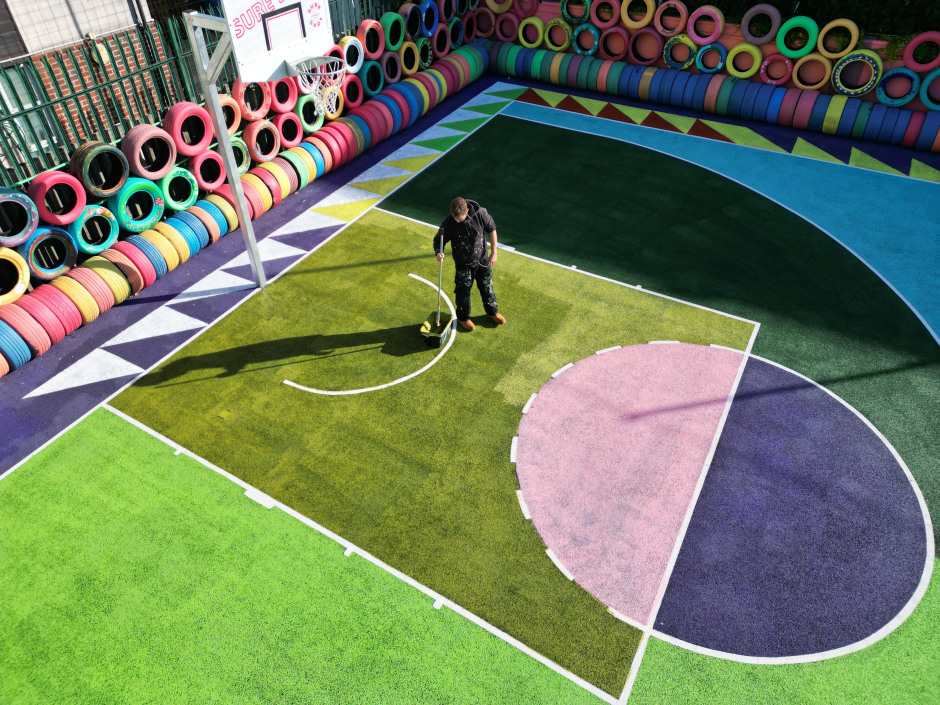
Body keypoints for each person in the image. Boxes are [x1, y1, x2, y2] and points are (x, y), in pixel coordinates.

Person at [433, 197, 506, 332]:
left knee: (487, 287)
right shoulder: (448, 223)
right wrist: (439, 252)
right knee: (463, 292)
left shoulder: (481, 214)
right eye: (456, 219)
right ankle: (463, 318)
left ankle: (492, 312)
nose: (458, 221)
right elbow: (438, 241)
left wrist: (494, 252)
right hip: (463, 264)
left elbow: (492, 229)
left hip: (483, 260)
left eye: (460, 219)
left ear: (467, 210)